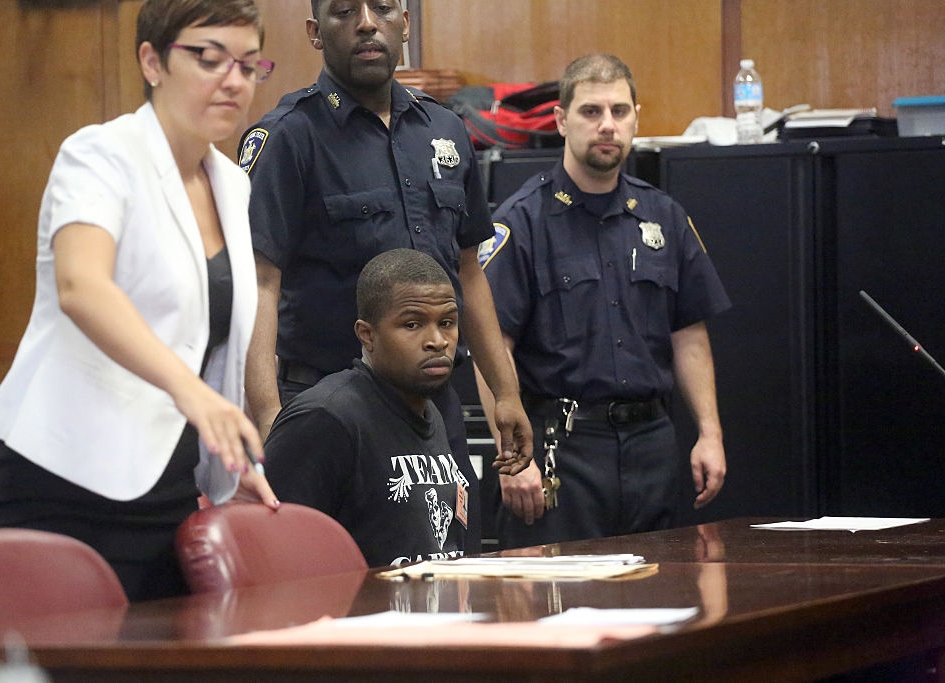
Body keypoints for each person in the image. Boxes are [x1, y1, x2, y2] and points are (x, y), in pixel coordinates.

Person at [0, 0, 279, 602]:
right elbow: (83, 287)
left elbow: (212, 345)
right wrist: (190, 393)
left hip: (164, 488)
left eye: (248, 64)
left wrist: (229, 470)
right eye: (210, 58)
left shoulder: (233, 183)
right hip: (56, 477)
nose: (233, 80)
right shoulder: (100, 155)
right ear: (152, 61)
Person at [236, 0, 532, 554]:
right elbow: (260, 284)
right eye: (345, 10)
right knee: (337, 584)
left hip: (429, 404)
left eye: (383, 8)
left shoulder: (445, 129)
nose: (367, 23)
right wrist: (270, 414)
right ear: (315, 33)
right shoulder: (288, 136)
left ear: (404, 24)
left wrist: (506, 393)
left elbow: (470, 272)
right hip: (327, 410)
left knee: (450, 570)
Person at [477, 53, 731, 549]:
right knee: (562, 611)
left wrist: (710, 432)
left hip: (652, 445)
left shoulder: (665, 217)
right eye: (592, 112)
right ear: (561, 120)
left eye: (619, 111)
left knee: (660, 605)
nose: (607, 125)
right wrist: (514, 457)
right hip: (561, 450)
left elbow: (690, 336)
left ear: (637, 116)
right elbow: (493, 347)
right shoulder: (522, 221)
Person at [264, 248, 468, 567]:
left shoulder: (431, 414)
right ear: (367, 335)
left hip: (434, 610)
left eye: (447, 322)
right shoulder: (326, 418)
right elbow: (275, 557)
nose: (437, 340)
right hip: (357, 614)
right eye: (412, 325)